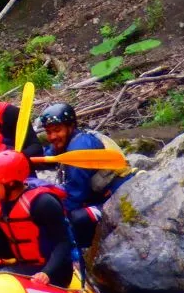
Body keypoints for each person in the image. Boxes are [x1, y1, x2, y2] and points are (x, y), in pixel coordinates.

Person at [38, 102, 133, 250]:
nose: (53, 136)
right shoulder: (67, 142)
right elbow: (48, 156)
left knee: (75, 218)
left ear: (71, 126)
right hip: (98, 197)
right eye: (48, 132)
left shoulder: (79, 149)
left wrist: (46, 213)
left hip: (117, 200)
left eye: (57, 130)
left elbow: (73, 198)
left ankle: (82, 254)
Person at [0, 149, 75, 288]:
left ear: (10, 183)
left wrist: (46, 272)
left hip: (54, 271)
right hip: (24, 265)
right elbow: (1, 237)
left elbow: (63, 243)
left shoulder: (43, 203)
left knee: (3, 277)